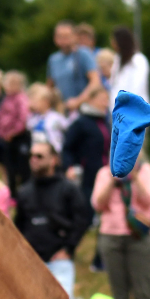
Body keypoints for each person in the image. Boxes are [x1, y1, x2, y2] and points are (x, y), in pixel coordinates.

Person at [15, 141, 89, 299]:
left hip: (60, 259)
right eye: (32, 155)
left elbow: (82, 218)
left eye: (40, 155)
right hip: (34, 260)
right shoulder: (25, 191)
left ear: (53, 159)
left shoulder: (68, 189)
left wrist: (68, 248)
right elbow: (20, 225)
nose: (34, 159)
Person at [92, 154, 150, 299]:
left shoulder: (146, 171)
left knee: (143, 294)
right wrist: (113, 179)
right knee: (119, 295)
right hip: (111, 236)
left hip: (140, 237)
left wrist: (135, 177)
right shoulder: (104, 173)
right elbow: (97, 203)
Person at [62, 86, 110, 215]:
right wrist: (69, 166)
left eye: (106, 99)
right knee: (86, 198)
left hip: (104, 168)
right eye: (101, 99)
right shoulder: (81, 122)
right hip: (87, 170)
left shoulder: (106, 122)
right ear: (90, 100)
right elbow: (67, 147)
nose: (105, 103)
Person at [47, 21, 100, 113]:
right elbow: (49, 87)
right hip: (63, 113)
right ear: (55, 38)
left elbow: (95, 82)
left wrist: (78, 101)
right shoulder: (53, 59)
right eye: (60, 36)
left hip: (84, 110)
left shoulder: (83, 54)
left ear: (75, 37)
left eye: (67, 36)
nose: (63, 40)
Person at [0, 71, 31, 195]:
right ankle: (12, 194)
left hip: (19, 137)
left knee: (23, 167)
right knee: (9, 168)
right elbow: (0, 117)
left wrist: (12, 133)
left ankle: (25, 193)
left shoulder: (21, 99)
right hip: (7, 139)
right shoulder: (6, 99)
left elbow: (23, 118)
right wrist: (2, 133)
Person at [109, 26, 150, 111]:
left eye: (114, 40)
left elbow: (137, 88)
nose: (112, 43)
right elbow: (113, 86)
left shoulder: (139, 60)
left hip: (135, 112)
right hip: (119, 113)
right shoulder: (117, 60)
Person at [27, 83, 68, 153]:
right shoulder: (33, 119)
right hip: (37, 153)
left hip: (55, 153)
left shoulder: (56, 117)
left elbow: (67, 129)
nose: (33, 103)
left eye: (36, 101)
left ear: (46, 101)